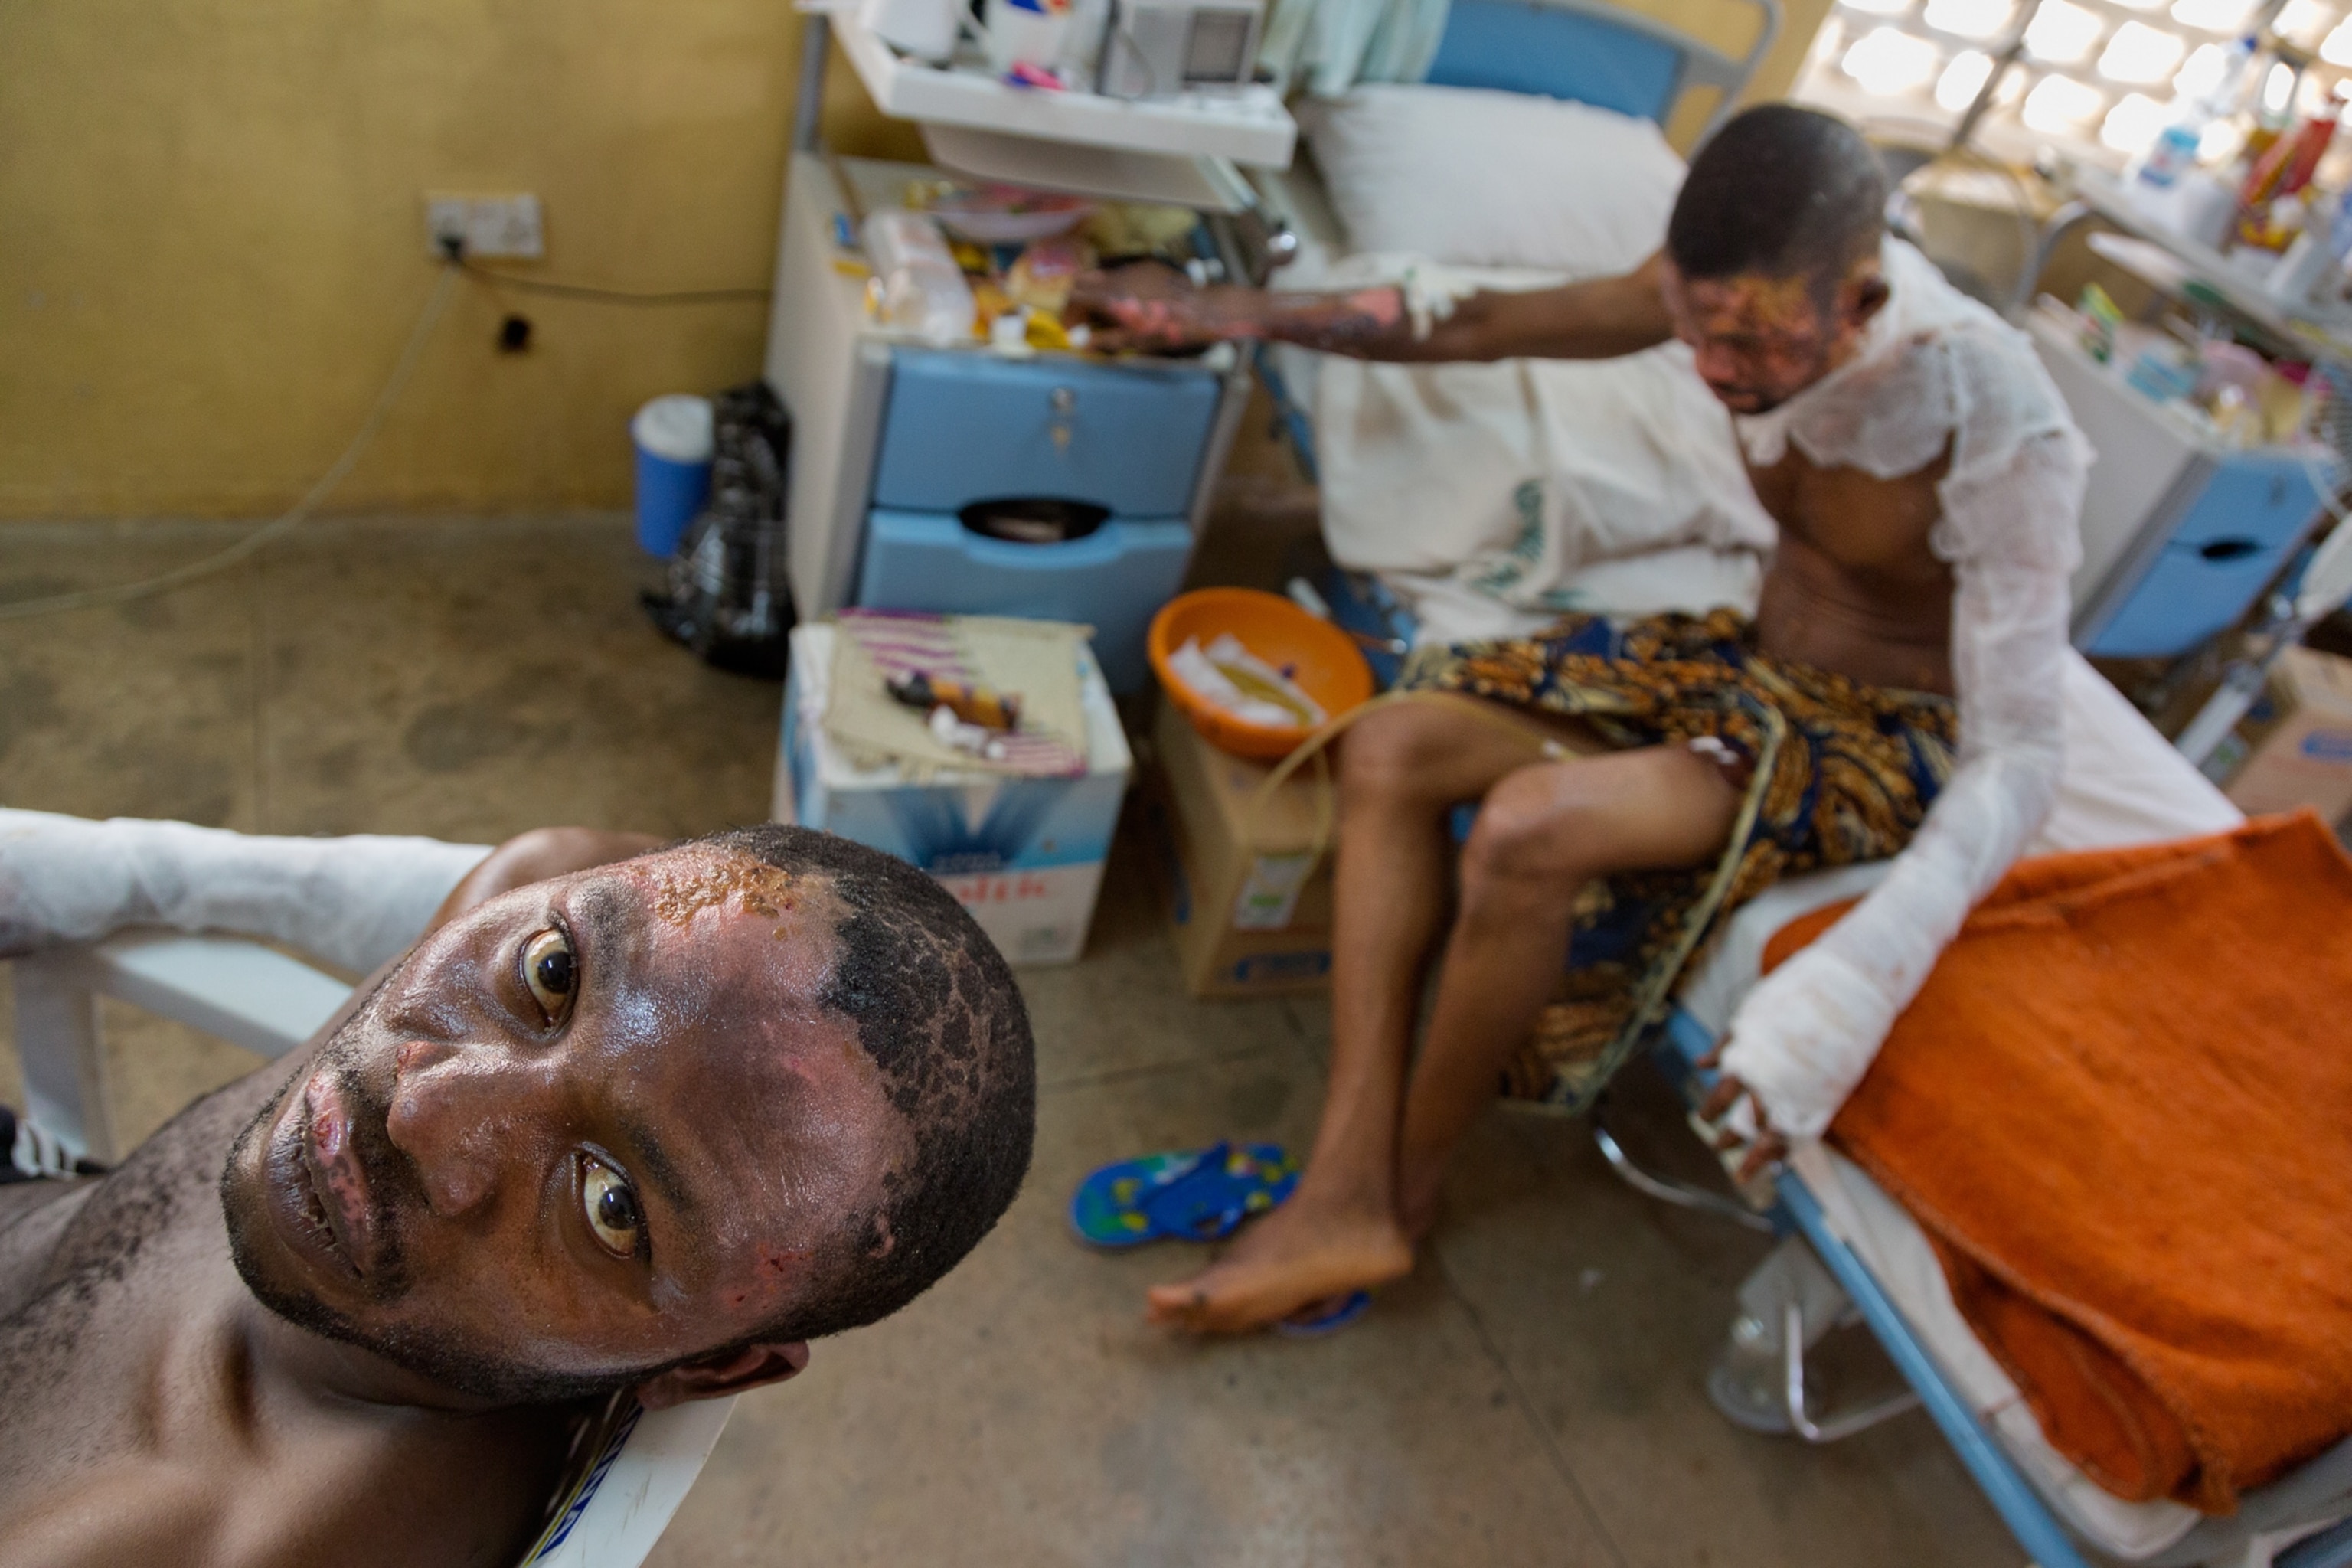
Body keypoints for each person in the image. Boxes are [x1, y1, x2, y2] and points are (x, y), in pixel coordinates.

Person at [1072, 104, 2088, 1333]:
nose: (1716, 373)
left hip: (1877, 741)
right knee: (1389, 743)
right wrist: (1226, 314)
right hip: (1748, 668)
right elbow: (1484, 323)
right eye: (1697, 333)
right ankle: (1344, 1178)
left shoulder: (1997, 414)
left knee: (1526, 826)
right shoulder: (1732, 302)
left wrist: (1857, 981)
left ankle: (1400, 1194)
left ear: (1864, 302)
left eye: (1754, 349)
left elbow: (2025, 748)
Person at [0, 821, 1035, 1565]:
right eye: (549, 980)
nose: (426, 1113)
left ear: (713, 1367)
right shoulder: (581, 906)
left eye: (611, 1207)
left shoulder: (184, 1534)